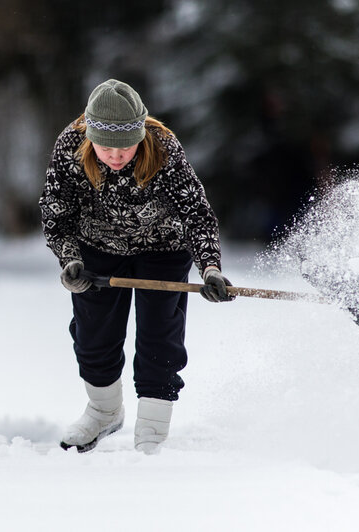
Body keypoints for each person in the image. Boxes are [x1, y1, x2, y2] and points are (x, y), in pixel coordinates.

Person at [39, 79, 234, 454]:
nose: (115, 155)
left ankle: (152, 431)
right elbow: (55, 213)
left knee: (160, 335)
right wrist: (71, 260)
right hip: (96, 249)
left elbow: (196, 213)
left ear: (140, 136)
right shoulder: (69, 146)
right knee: (93, 337)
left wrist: (210, 268)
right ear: (89, 137)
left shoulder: (164, 148)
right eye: (105, 147)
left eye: (126, 146)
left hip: (162, 248)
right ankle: (104, 412)